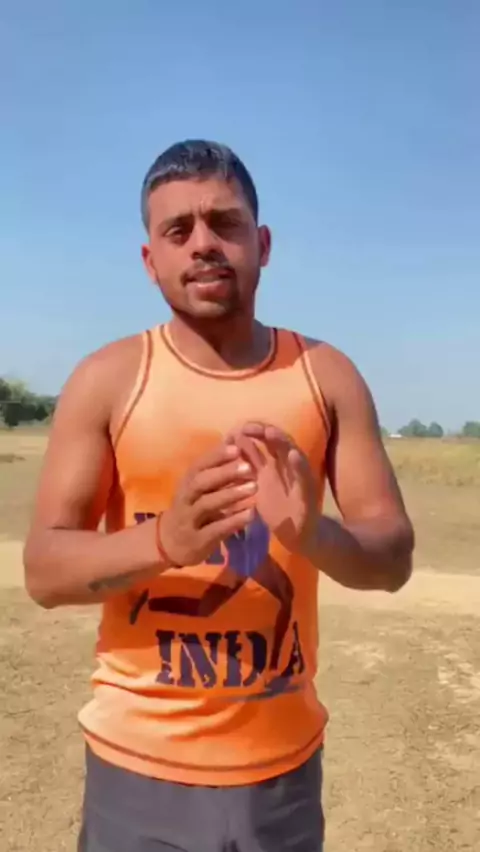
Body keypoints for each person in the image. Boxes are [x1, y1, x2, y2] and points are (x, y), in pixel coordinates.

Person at [24, 140, 414, 852]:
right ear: (151, 261)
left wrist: (313, 534)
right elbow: (45, 573)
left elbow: (392, 560)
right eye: (178, 230)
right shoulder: (108, 379)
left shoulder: (326, 376)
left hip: (282, 777)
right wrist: (165, 540)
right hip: (137, 771)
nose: (203, 243)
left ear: (261, 245)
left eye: (224, 223)